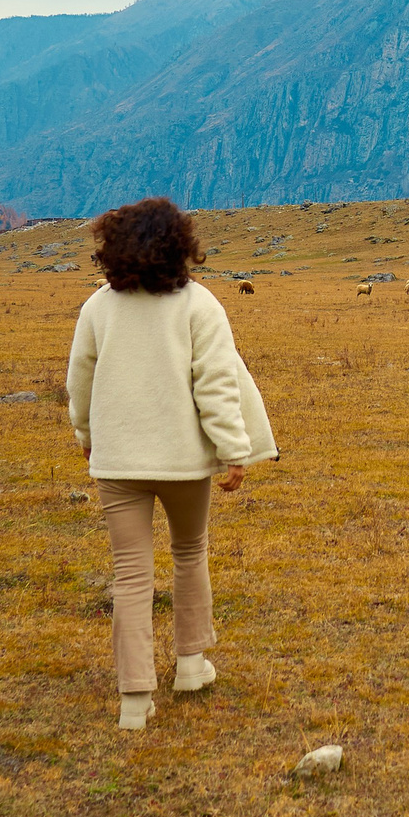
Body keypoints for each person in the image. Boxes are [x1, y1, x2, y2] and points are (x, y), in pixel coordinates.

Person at [66, 197, 278, 730]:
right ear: (181, 245)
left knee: (131, 575)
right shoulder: (200, 305)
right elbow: (216, 383)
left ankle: (134, 703)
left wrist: (86, 435)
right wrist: (234, 449)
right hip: (183, 461)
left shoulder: (98, 307)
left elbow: (80, 381)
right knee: (189, 552)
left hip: (118, 462)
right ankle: (190, 665)